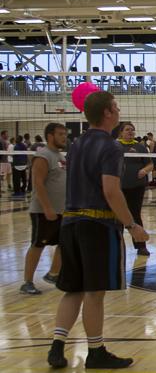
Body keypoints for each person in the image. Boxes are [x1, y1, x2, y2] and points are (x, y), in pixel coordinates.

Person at [47, 90, 149, 369]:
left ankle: (57, 346)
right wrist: (132, 225)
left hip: (70, 223)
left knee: (73, 289)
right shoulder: (112, 147)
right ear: (107, 112)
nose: (118, 110)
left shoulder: (76, 143)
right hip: (96, 225)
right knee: (94, 292)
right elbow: (111, 190)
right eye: (115, 106)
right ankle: (95, 351)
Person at [20, 123, 67, 295]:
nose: (64, 137)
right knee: (38, 245)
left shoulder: (60, 156)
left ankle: (53, 274)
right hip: (43, 211)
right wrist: (47, 208)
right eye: (60, 134)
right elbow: (37, 183)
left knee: (65, 243)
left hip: (61, 210)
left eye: (65, 134)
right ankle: (27, 282)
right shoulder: (43, 156)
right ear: (49, 136)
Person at [116, 122, 154, 257]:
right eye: (127, 130)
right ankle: (117, 246)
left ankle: (141, 246)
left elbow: (150, 164)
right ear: (121, 132)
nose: (130, 132)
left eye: (132, 130)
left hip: (136, 186)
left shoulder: (140, 147)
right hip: (118, 188)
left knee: (135, 215)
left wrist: (144, 170)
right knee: (118, 217)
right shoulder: (115, 146)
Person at [0, 129, 10, 193]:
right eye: (6, 134)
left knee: (2, 176)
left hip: (4, 161)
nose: (7, 136)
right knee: (1, 176)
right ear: (3, 135)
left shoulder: (4, 141)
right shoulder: (1, 141)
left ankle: (0, 189)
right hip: (2, 161)